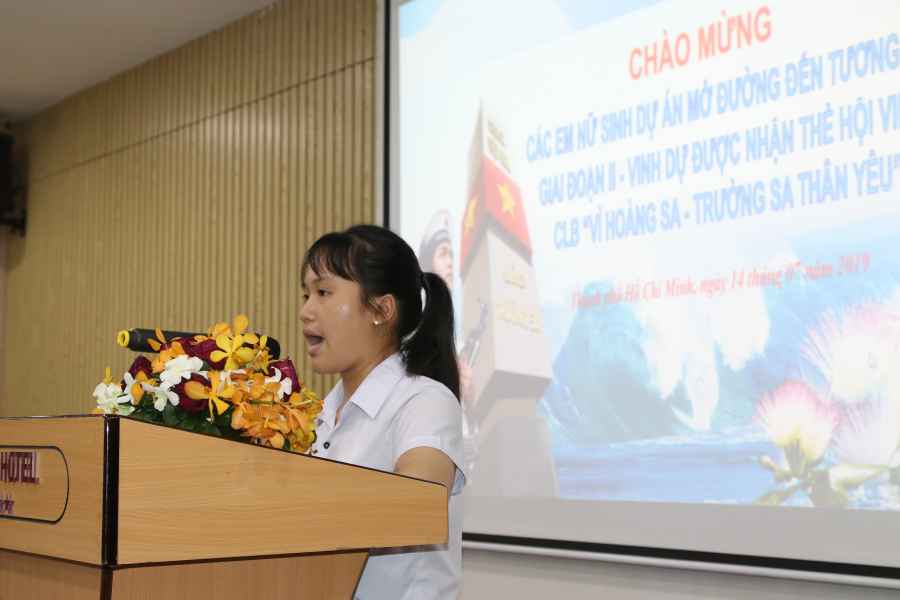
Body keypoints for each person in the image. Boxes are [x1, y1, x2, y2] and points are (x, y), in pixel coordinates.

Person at [300, 224, 465, 600]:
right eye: (306, 294)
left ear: (381, 310)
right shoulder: (320, 414)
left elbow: (414, 510)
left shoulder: (424, 402)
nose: (305, 311)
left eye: (323, 292)